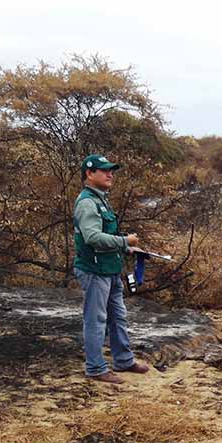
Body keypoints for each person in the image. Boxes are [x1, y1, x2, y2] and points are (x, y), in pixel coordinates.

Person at [72, 154, 150, 383]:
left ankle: (124, 360)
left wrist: (128, 250)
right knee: (96, 320)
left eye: (111, 170)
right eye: (104, 170)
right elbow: (93, 238)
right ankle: (95, 368)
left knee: (118, 317)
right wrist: (126, 241)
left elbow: (106, 236)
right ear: (89, 173)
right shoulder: (87, 202)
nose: (110, 174)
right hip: (95, 272)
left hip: (110, 269)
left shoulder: (101, 200)